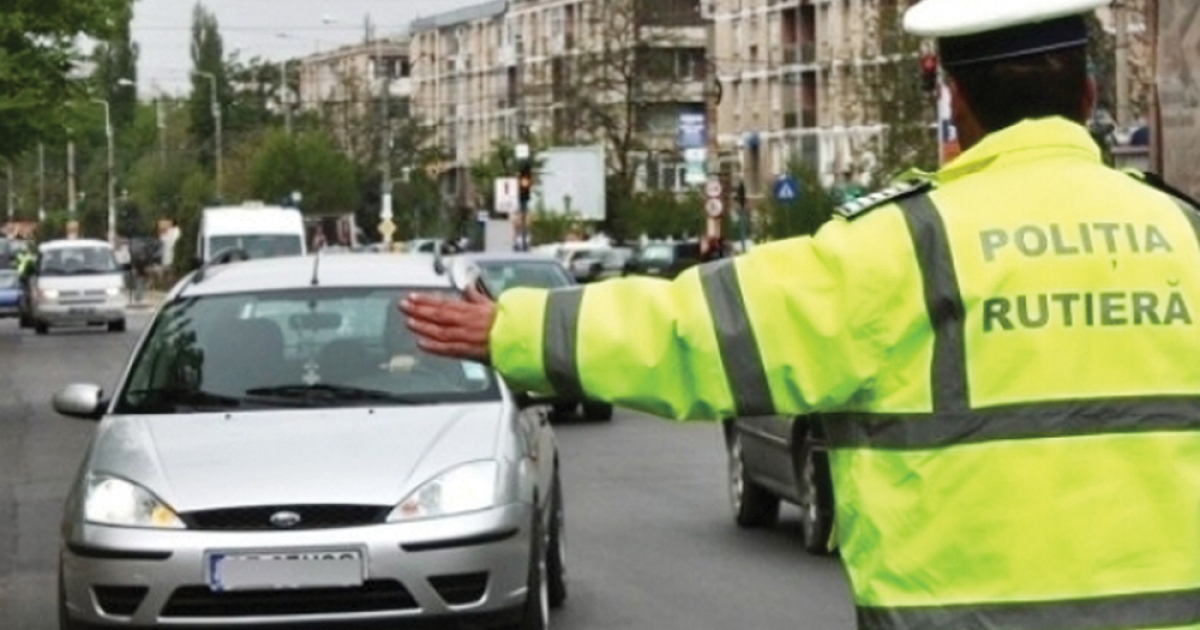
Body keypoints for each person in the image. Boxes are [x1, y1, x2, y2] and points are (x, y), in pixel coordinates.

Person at [402, 1, 1200, 628]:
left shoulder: (901, 247)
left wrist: (518, 329)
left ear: (953, 99)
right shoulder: (1186, 234)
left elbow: (697, 333)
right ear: (1090, 96)